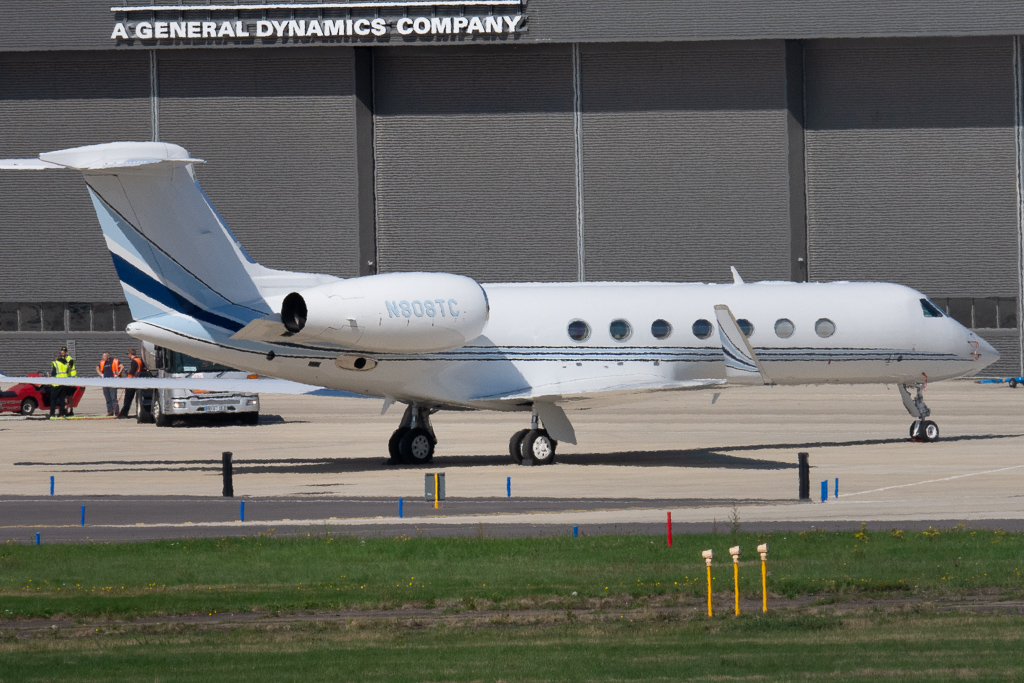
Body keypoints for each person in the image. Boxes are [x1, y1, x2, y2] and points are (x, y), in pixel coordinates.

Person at [116, 348, 147, 419]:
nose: (128, 356)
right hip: (137, 381)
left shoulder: (134, 361)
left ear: (130, 354)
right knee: (136, 398)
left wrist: (127, 372)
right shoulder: (139, 360)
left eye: (128, 354)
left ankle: (124, 414)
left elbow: (132, 372)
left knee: (128, 399)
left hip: (131, 381)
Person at [96, 351, 122, 417]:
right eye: (103, 356)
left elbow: (122, 366)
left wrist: (118, 374)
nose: (103, 357)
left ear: (108, 356)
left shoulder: (114, 361)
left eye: (104, 356)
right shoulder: (102, 362)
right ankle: (110, 412)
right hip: (105, 382)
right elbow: (97, 368)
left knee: (113, 398)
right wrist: (101, 374)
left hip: (113, 382)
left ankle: (116, 412)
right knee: (107, 398)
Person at [48, 351, 69, 419]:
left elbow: (54, 373)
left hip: (56, 383)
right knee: (62, 399)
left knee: (53, 399)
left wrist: (49, 375)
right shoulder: (65, 362)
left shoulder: (55, 363)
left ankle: (52, 414)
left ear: (56, 357)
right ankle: (62, 413)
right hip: (64, 383)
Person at [60, 346, 77, 416]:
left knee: (69, 396)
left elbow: (69, 366)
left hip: (71, 379)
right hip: (65, 379)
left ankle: (71, 410)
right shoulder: (61, 359)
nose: (63, 353)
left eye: (64, 352)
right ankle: (66, 409)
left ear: (66, 352)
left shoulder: (70, 359)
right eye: (62, 352)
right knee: (65, 396)